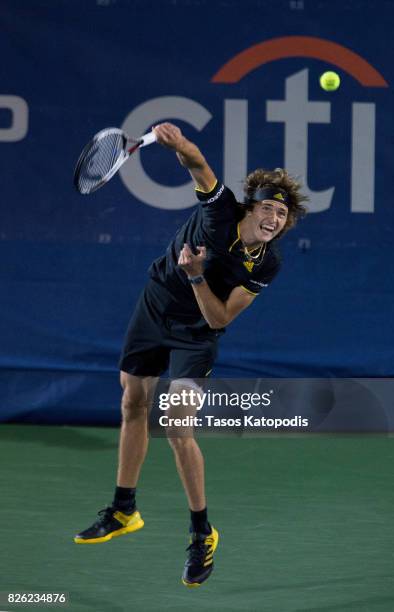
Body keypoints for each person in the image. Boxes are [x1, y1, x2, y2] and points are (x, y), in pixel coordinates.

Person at [74, 122, 307, 587]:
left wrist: (198, 276)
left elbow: (220, 319)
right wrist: (176, 142)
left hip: (197, 332)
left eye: (282, 216)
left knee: (178, 424)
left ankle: (202, 533)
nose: (274, 220)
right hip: (155, 306)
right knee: (132, 403)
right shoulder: (219, 209)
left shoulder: (268, 262)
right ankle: (124, 509)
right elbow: (197, 163)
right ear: (250, 207)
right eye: (267, 208)